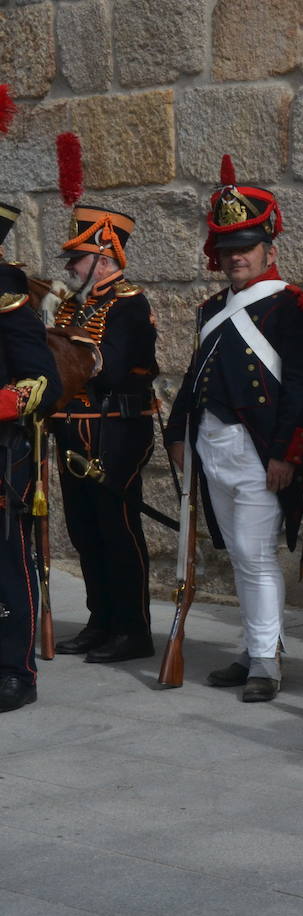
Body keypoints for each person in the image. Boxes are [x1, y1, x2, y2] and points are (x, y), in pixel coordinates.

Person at [165, 157, 303, 702]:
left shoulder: (291, 309)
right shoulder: (212, 309)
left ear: (269, 250)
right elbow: (194, 380)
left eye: (246, 247)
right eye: (228, 248)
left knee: (255, 557)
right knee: (238, 555)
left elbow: (302, 391)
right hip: (214, 447)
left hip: (259, 454)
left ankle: (267, 664)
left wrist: (285, 454)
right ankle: (258, 649)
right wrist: (178, 434)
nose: (236, 257)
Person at [49, 204, 159, 664]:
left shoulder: (129, 304)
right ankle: (101, 620)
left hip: (115, 430)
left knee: (117, 529)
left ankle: (132, 629)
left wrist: (58, 349)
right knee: (84, 530)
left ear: (105, 255)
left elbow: (108, 369)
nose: (71, 266)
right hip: (72, 430)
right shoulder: (76, 306)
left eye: (78, 257)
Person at [0, 201, 62, 711]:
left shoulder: (8, 294)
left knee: (6, 562)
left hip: (1, 453)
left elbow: (42, 380)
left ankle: (14, 669)